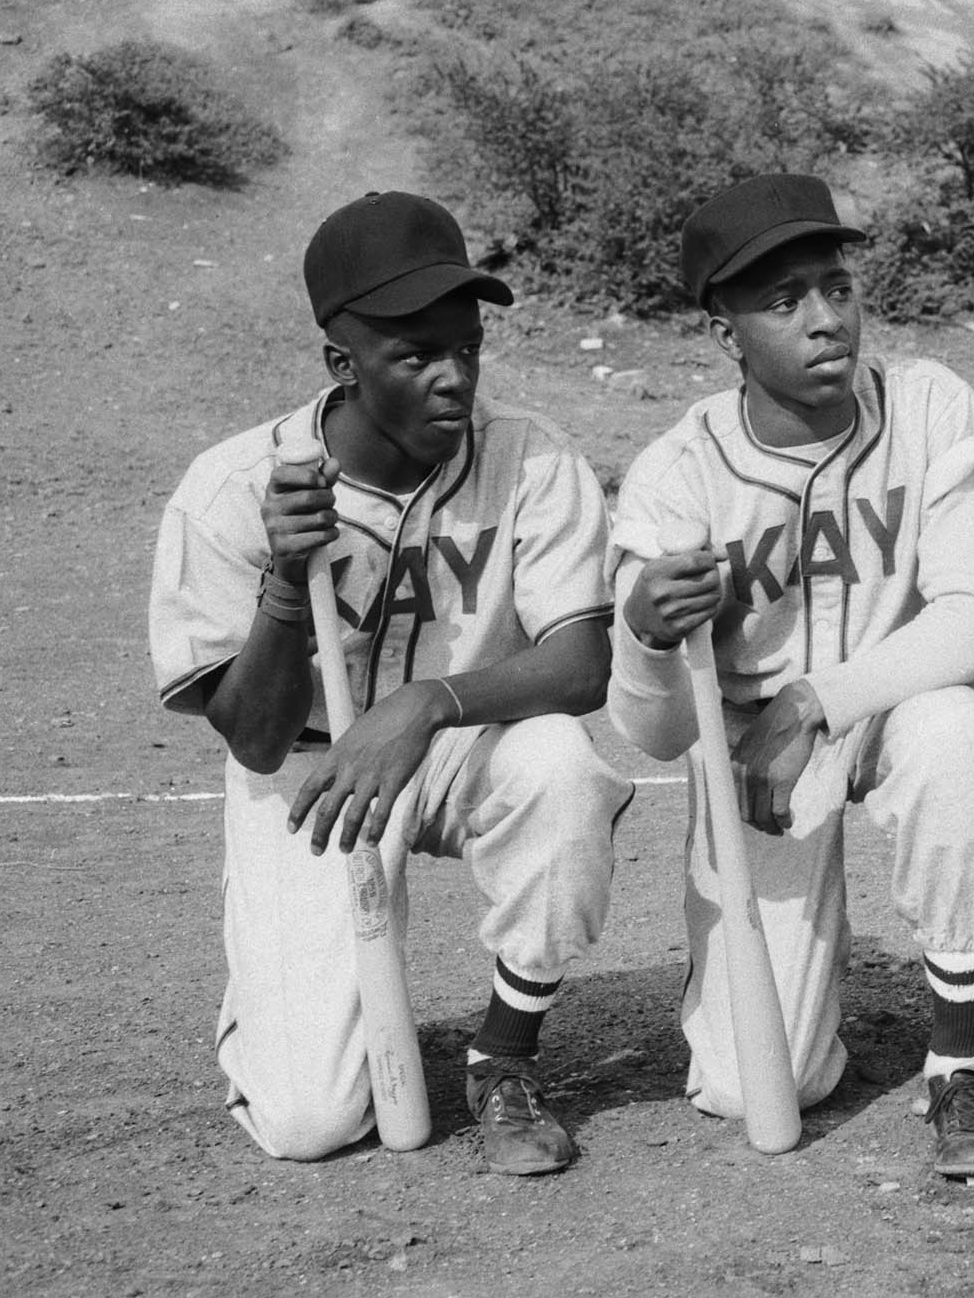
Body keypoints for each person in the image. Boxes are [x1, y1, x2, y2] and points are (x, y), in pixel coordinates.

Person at [148, 192, 630, 1174]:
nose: (453, 377)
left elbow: (582, 665)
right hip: (313, 771)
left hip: (460, 745)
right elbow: (254, 741)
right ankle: (285, 1005)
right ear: (343, 364)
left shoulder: (529, 459)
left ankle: (505, 1053)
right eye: (415, 357)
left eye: (467, 347)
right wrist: (286, 585)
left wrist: (423, 705)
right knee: (310, 1124)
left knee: (564, 768)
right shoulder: (236, 489)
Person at [607, 176, 974, 1177]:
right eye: (785, 299)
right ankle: (823, 991)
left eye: (836, 286)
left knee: (961, 736)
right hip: (756, 754)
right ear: (725, 332)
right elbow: (655, 736)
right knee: (757, 1087)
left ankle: (965, 1053)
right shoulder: (680, 472)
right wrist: (645, 635)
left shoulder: (927, 404)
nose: (826, 318)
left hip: (896, 706)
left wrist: (815, 698)